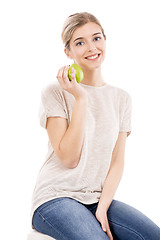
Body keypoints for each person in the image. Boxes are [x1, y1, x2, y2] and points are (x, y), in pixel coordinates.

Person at [31, 12, 160, 240]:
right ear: (68, 52)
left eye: (96, 38)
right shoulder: (55, 92)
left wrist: (102, 207)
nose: (91, 47)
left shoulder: (121, 98)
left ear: (105, 40)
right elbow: (69, 158)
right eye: (80, 42)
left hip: (96, 199)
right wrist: (80, 99)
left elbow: (117, 161)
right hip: (55, 198)